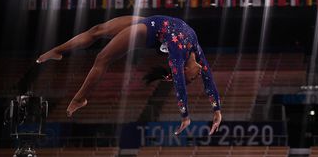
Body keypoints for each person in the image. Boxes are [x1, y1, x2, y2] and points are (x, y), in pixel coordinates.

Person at [36, 15, 221, 135]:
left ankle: (80, 98)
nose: (197, 77)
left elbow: (180, 85)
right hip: (150, 21)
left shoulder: (178, 56)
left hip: (146, 32)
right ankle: (57, 51)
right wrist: (217, 111)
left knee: (102, 59)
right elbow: (209, 81)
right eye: (193, 78)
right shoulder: (196, 53)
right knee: (97, 30)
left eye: (191, 79)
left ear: (182, 69)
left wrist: (185, 115)